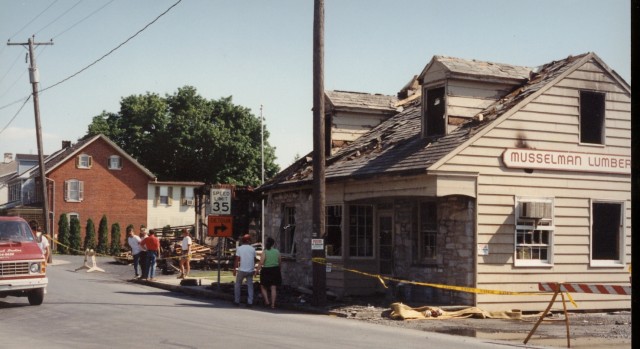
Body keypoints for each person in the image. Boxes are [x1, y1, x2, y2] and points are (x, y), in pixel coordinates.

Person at [257, 237, 282, 309]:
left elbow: (261, 262)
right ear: (273, 244)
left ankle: (267, 301)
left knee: (263, 286)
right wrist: (279, 269)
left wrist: (256, 271)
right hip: (275, 270)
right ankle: (273, 304)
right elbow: (280, 262)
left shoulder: (265, 252)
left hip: (266, 270)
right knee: (273, 287)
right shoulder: (277, 251)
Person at [233, 234, 256, 307]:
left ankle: (237, 301)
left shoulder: (239, 248)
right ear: (249, 241)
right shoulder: (253, 249)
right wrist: (253, 268)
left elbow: (237, 259)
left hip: (242, 269)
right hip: (250, 270)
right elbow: (254, 259)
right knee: (250, 286)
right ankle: (250, 302)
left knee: (237, 285)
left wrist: (234, 269)